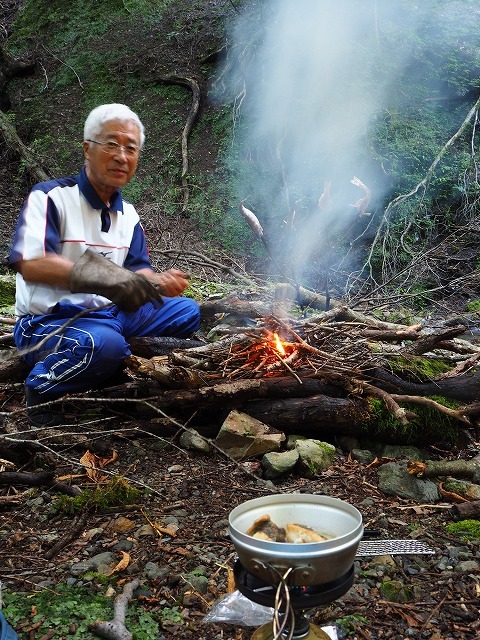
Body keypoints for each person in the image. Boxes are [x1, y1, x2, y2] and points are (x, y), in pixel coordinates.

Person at [8, 103, 201, 425]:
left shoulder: (129, 215)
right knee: (104, 344)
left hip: (110, 313)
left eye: (131, 148)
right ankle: (42, 388)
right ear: (87, 148)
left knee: (185, 311)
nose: (121, 156)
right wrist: (104, 276)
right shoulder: (51, 197)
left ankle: (104, 359)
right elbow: (31, 262)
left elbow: (139, 269)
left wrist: (158, 281)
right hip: (50, 321)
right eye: (112, 144)